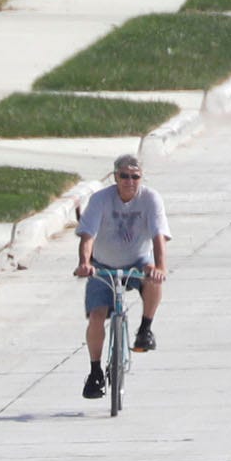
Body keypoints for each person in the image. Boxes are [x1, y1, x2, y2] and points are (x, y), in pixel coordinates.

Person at [76, 154, 170, 399]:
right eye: (124, 176)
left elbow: (159, 236)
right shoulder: (101, 200)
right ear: (115, 176)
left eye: (135, 177)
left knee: (153, 278)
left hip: (138, 261)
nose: (129, 181)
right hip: (103, 265)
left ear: (141, 178)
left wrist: (160, 267)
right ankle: (95, 372)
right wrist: (85, 263)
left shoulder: (150, 199)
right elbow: (88, 236)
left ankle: (145, 329)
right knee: (96, 317)